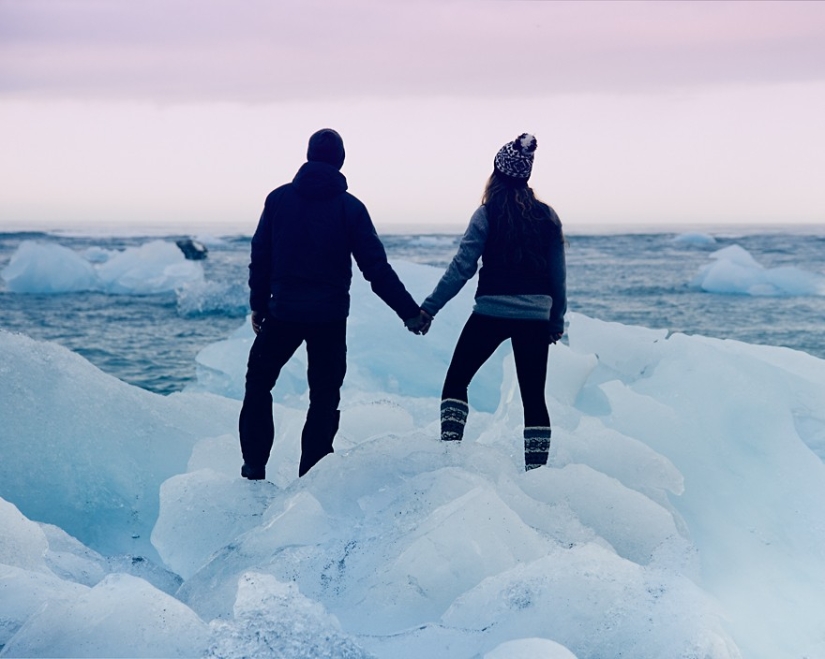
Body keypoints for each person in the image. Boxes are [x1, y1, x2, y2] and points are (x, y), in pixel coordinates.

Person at [240, 128, 428, 480]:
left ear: (308, 156)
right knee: (324, 396)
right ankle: (312, 477)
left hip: (282, 313)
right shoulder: (350, 208)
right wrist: (409, 313)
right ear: (340, 161)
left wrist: (259, 305)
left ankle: (253, 467)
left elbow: (260, 257)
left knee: (259, 384)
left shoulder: (278, 200)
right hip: (328, 318)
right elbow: (376, 268)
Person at [418, 133, 566, 471]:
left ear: (496, 173)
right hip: (535, 316)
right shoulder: (547, 217)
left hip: (491, 312)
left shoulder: (486, 214)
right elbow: (558, 276)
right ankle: (536, 474)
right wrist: (555, 320)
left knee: (457, 381)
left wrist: (429, 308)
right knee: (533, 398)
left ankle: (449, 455)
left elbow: (462, 267)